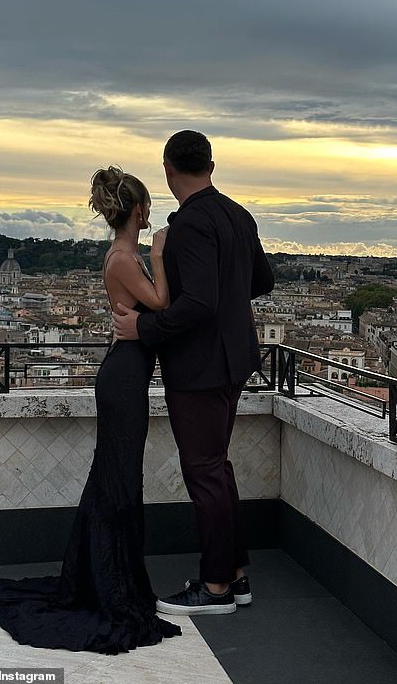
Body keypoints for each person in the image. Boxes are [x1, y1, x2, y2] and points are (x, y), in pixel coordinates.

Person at [0, 166, 181, 654]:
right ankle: (111, 585)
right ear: (137, 209)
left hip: (125, 374)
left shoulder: (121, 255)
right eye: (146, 205)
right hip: (123, 379)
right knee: (119, 482)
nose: (150, 212)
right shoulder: (124, 257)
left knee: (115, 479)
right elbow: (162, 303)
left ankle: (103, 577)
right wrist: (160, 255)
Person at [113, 130, 275, 616]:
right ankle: (236, 574)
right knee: (217, 468)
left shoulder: (188, 226)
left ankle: (216, 587)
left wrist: (145, 326)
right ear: (211, 165)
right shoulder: (237, 215)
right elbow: (262, 281)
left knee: (203, 471)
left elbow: (199, 303)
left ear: (168, 170)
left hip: (199, 367)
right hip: (234, 361)